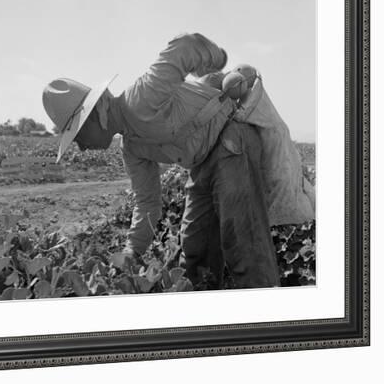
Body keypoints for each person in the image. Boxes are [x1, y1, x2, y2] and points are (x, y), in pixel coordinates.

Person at [42, 33, 313, 290]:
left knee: (242, 238)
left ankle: (265, 315)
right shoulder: (132, 149)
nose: (80, 144)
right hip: (203, 161)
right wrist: (131, 252)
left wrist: (218, 59)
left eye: (77, 133)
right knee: (195, 249)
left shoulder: (141, 98)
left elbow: (184, 46)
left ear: (97, 112)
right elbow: (147, 202)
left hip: (232, 140)